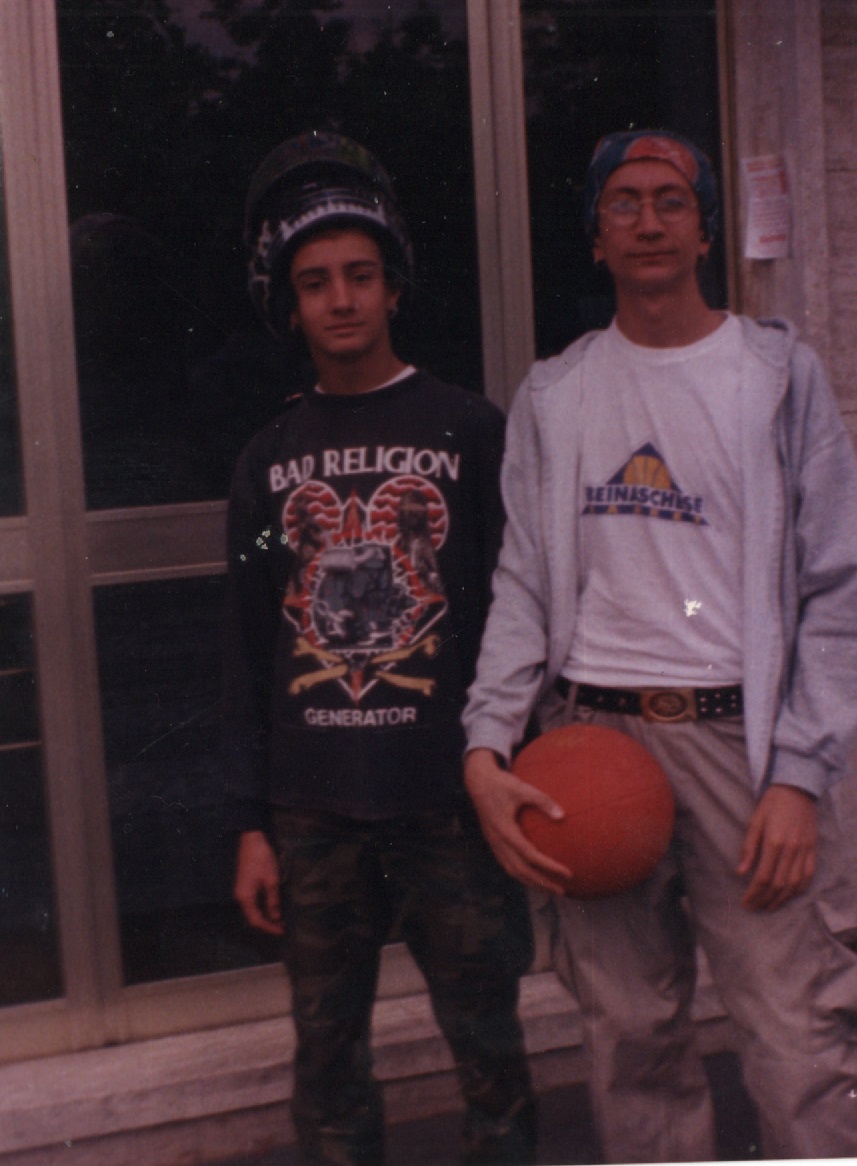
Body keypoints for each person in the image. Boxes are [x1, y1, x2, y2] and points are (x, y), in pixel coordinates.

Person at [462, 128, 857, 1163]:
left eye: (670, 200)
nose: (647, 221)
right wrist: (485, 742)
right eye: (623, 202)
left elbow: (837, 588)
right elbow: (520, 582)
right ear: (595, 236)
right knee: (629, 1040)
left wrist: (799, 776)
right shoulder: (557, 393)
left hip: (742, 752)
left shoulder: (774, 377)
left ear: (704, 230)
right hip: (592, 753)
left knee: (796, 1039)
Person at [223, 131, 536, 1166]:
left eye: (360, 275)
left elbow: (516, 609)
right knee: (327, 1060)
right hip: (313, 809)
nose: (341, 299)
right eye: (315, 282)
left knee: (490, 1048)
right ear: (289, 305)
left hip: (447, 798)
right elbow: (250, 638)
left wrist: (509, 761)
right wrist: (251, 822)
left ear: (394, 286)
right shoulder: (267, 462)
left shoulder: (467, 432)